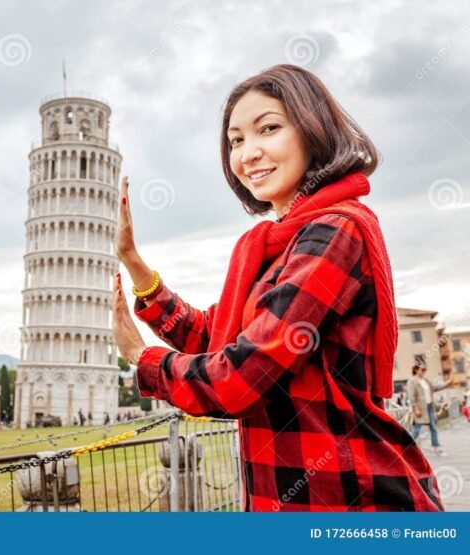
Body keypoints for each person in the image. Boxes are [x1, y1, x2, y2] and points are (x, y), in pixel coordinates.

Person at [111, 64, 443, 512]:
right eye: (236, 140)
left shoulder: (334, 233)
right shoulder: (283, 243)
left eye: (268, 129)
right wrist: (136, 267)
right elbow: (220, 339)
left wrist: (140, 356)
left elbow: (242, 376)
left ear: (312, 130)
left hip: (349, 499)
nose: (248, 153)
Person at [407, 364, 452, 456]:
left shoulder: (426, 381)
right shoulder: (412, 381)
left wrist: (447, 382)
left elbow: (435, 387)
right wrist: (415, 408)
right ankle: (406, 447)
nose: (424, 372)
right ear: (416, 370)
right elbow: (411, 396)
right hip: (420, 408)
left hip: (429, 406)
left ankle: (436, 447)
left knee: (433, 428)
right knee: (416, 429)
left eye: (425, 370)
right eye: (422, 370)